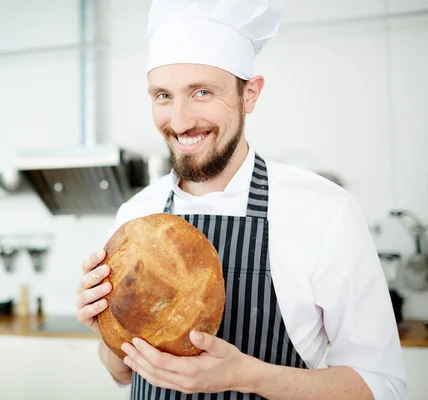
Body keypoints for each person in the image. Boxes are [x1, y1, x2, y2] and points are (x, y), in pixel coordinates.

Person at [76, 0, 407, 398]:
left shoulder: (324, 212)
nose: (179, 121)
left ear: (249, 94)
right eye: (163, 95)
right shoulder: (136, 215)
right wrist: (107, 328)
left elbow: (384, 387)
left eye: (202, 92)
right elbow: (123, 372)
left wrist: (248, 377)